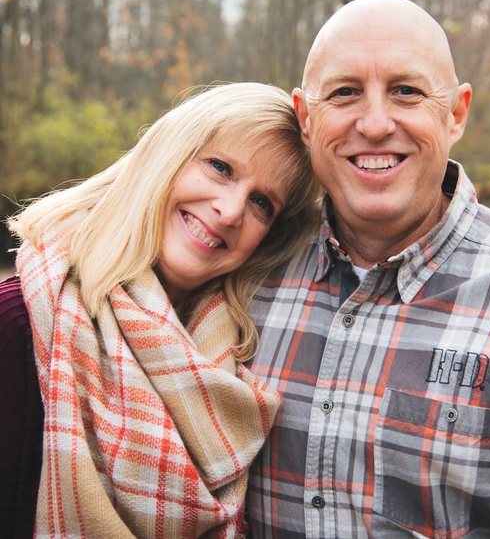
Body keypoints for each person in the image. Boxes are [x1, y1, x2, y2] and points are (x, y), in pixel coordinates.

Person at [245, 0, 490, 537]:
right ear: (306, 118)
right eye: (345, 92)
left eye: (407, 91)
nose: (376, 124)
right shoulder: (246, 273)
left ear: (456, 114)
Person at [0, 82, 321, 538]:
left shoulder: (240, 359)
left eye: (262, 203)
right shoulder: (18, 323)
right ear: (167, 154)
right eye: (220, 168)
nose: (231, 211)